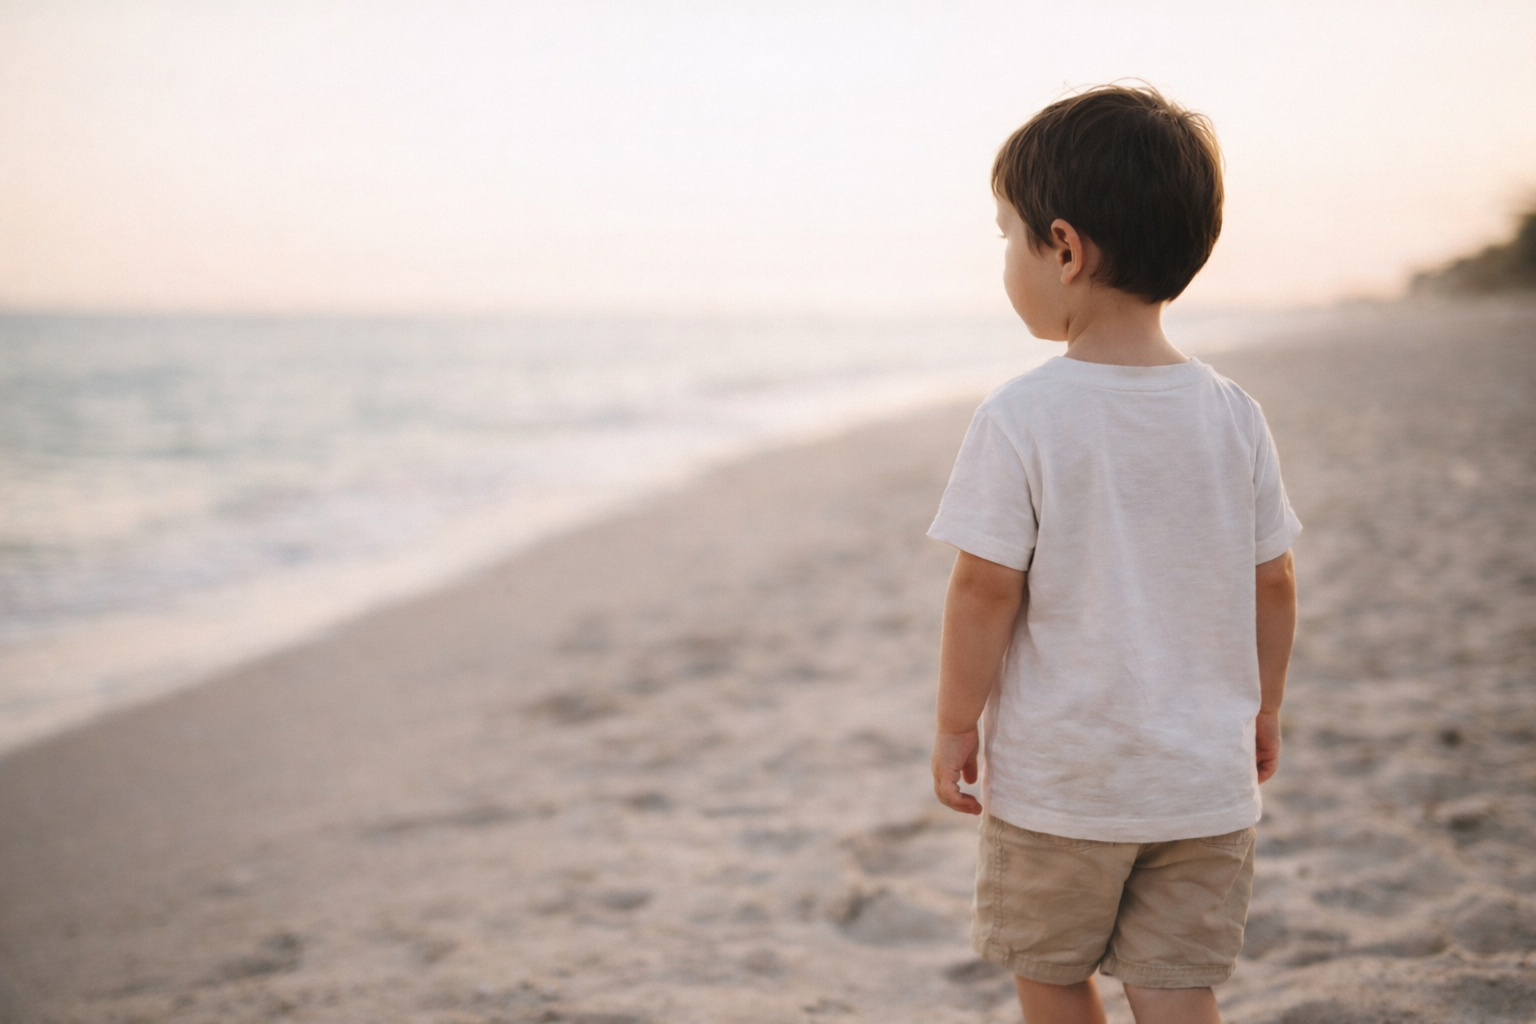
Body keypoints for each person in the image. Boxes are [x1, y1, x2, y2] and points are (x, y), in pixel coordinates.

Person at [927, 85, 1300, 1024]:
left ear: (1063, 248)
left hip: (1064, 783)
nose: (1005, 260)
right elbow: (1275, 579)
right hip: (1201, 782)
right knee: (1176, 983)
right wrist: (1264, 708)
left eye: (1006, 235)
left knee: (1051, 969)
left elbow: (981, 589)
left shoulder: (1023, 415)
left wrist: (954, 723)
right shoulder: (1232, 413)